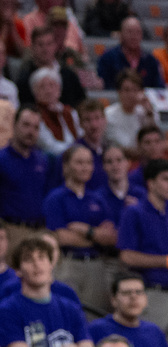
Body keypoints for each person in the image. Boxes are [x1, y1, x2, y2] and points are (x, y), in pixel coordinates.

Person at [116, 159, 168, 347]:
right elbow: (126, 256)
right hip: (151, 292)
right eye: (166, 180)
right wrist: (167, 261)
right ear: (151, 183)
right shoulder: (135, 212)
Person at [43, 144, 117, 312]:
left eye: (89, 163)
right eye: (79, 162)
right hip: (67, 264)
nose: (85, 167)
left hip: (96, 265)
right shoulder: (55, 198)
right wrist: (97, 237)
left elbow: (111, 237)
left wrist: (85, 230)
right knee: (64, 312)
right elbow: (61, 237)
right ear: (66, 166)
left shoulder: (98, 199)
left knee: (95, 314)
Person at [0, 237, 92, 347]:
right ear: (18, 270)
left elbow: (87, 343)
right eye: (28, 259)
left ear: (51, 264)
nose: (37, 264)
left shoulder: (71, 308)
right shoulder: (8, 310)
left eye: (41, 257)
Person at [0, 107, 60, 252]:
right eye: (26, 125)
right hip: (12, 230)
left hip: (39, 231)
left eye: (36, 127)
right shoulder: (2, 159)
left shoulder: (44, 160)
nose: (31, 131)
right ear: (14, 126)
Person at [87, 273, 168, 347]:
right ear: (114, 299)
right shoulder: (96, 329)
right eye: (126, 293)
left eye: (139, 292)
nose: (133, 297)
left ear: (146, 298)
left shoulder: (154, 332)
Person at [96, 17, 164, 90]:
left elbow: (159, 88)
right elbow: (105, 87)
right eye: (130, 32)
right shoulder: (108, 58)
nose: (134, 36)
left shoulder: (151, 60)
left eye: (137, 32)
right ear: (121, 34)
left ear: (142, 35)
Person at [104, 71, 159, 150]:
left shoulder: (145, 112)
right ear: (119, 92)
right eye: (127, 90)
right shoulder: (108, 115)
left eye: (135, 90)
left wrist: (149, 113)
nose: (131, 94)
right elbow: (122, 145)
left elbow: (156, 138)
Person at [32, 67, 81, 156]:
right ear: (35, 92)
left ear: (59, 89)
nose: (48, 91)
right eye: (42, 87)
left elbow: (80, 135)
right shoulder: (35, 115)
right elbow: (48, 145)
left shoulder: (70, 112)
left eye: (52, 85)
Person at [75, 99, 108, 192]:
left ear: (105, 120)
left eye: (97, 118)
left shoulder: (110, 151)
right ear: (80, 124)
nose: (94, 125)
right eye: (88, 120)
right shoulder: (73, 153)